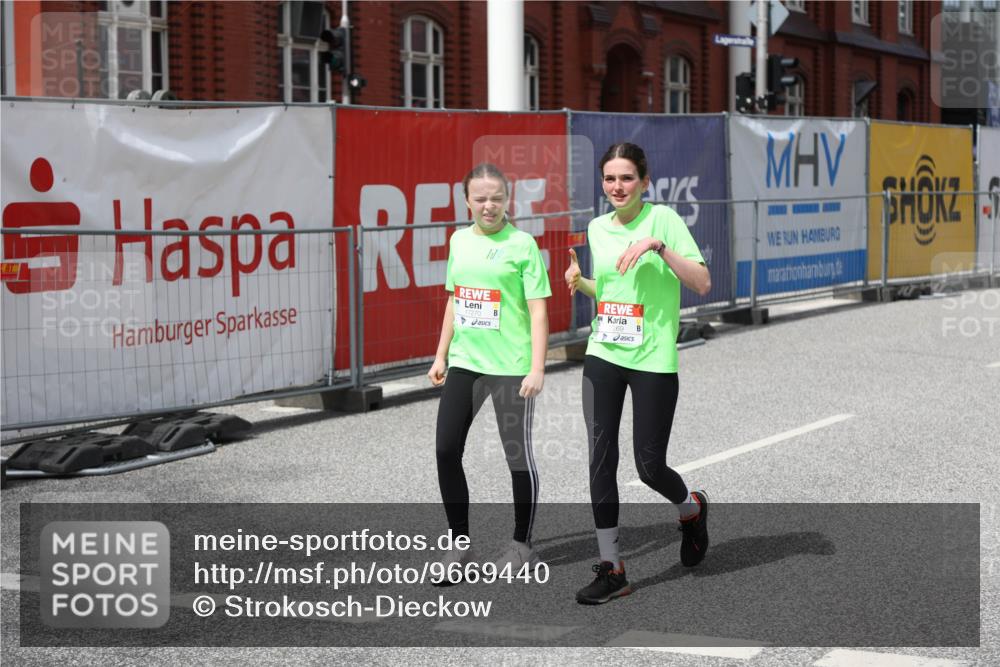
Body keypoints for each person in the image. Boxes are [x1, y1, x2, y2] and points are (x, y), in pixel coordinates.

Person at [565, 142, 712, 604]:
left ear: (644, 182)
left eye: (626, 178)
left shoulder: (663, 220)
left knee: (649, 467)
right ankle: (612, 568)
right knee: (600, 457)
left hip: (651, 359)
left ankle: (691, 509)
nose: (617, 186)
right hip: (604, 353)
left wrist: (657, 246)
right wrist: (582, 284)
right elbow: (613, 291)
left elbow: (702, 282)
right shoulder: (597, 228)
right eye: (609, 178)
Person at [427, 162, 551, 583]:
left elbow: (538, 312)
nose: (489, 205)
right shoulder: (459, 240)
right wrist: (441, 354)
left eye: (496, 198)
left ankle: (521, 545)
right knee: (446, 450)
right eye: (480, 198)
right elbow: (455, 299)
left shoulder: (522, 245)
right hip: (467, 362)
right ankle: (460, 545)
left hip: (511, 367)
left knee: (517, 455)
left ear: (507, 200)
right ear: (466, 201)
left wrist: (537, 367)